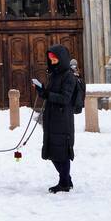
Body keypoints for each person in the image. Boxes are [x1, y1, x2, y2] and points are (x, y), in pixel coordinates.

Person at [34, 45, 76, 192]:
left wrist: (47, 95)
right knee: (52, 151)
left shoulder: (69, 76)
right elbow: (51, 94)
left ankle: (64, 183)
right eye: (50, 59)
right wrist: (42, 91)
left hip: (63, 119)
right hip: (51, 117)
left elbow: (65, 98)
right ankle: (66, 180)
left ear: (62, 59)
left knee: (61, 152)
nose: (52, 61)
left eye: (55, 59)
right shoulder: (55, 74)